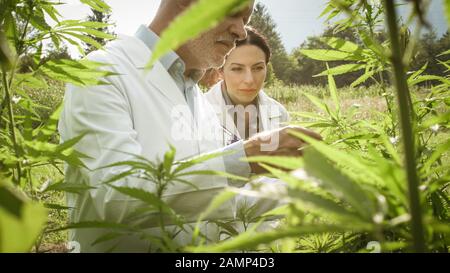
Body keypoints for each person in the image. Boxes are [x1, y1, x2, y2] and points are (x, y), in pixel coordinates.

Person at [58, 0, 321, 252]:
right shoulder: (102, 73)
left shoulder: (198, 101)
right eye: (233, 12)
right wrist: (245, 157)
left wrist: (307, 187)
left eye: (245, 19)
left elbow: (218, 199)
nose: (241, 32)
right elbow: (118, 200)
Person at [204, 27, 289, 230]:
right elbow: (204, 193)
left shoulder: (278, 112)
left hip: (268, 234)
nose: (249, 79)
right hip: (216, 234)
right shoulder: (199, 112)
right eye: (237, 69)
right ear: (220, 70)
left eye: (258, 68)